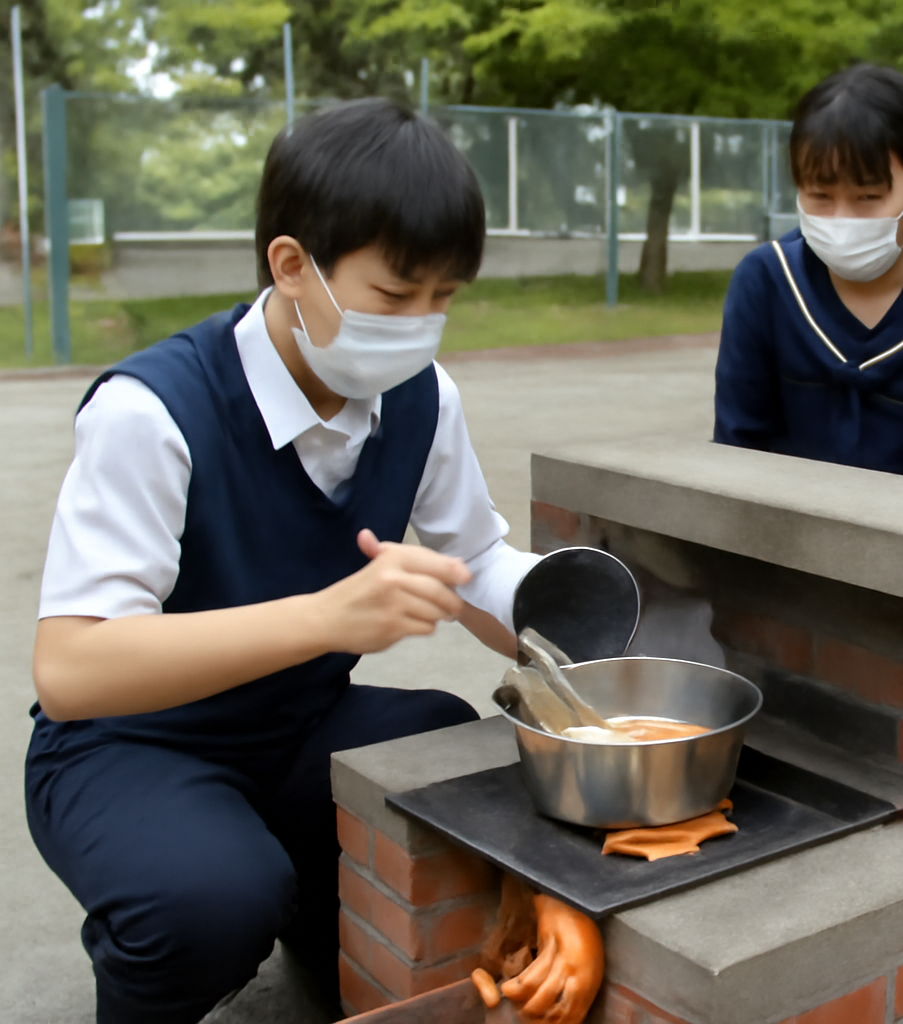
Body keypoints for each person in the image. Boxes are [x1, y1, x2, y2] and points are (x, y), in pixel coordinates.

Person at [25, 99, 544, 1023]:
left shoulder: (422, 399)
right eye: (395, 296)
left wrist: (576, 627)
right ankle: (163, 964)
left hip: (298, 724)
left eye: (444, 300)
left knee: (446, 754)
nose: (422, 327)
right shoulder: (153, 412)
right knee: (211, 902)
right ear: (292, 264)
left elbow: (477, 560)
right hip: (132, 743)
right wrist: (328, 618)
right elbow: (70, 670)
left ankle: (325, 919)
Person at [712, 63, 903, 479]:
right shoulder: (767, 279)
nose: (842, 219)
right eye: (820, 195)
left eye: (868, 196)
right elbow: (737, 447)